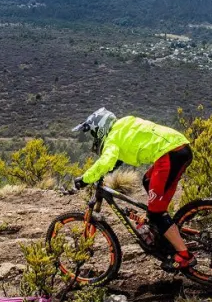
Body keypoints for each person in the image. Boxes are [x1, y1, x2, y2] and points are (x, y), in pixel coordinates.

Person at [73, 107, 197, 271]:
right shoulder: (124, 124)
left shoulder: (112, 138)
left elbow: (106, 161)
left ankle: (184, 256)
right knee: (147, 180)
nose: (95, 139)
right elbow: (129, 147)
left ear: (101, 129)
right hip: (179, 148)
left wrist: (85, 179)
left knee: (155, 213)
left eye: (95, 134)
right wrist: (113, 165)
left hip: (168, 155)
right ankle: (165, 227)